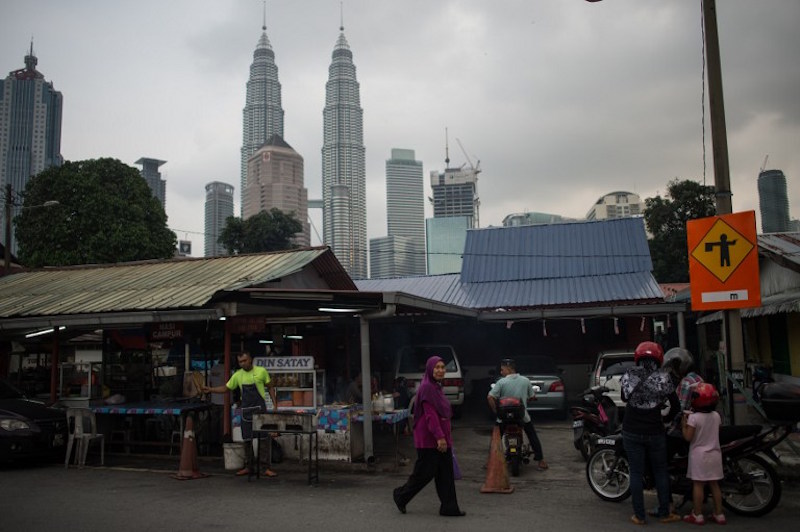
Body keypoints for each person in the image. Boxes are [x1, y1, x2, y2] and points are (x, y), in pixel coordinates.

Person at [393, 356, 465, 517]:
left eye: (442, 367)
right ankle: (401, 496)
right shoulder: (427, 388)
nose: (440, 370)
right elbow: (430, 416)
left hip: (441, 438)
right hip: (430, 440)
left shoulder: (436, 387)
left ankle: (449, 507)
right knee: (423, 474)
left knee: (445, 474)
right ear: (430, 370)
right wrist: (439, 437)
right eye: (437, 367)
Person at [620, 341, 680, 525]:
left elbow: (624, 398)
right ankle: (665, 513)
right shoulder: (664, 377)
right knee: (660, 471)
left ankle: (639, 516)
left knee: (636, 473)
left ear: (638, 356)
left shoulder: (630, 374)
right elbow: (675, 406)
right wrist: (666, 419)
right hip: (655, 432)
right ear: (659, 358)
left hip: (631, 430)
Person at [203, 351, 278, 477]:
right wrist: (211, 389)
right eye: (240, 362)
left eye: (245, 361)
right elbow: (226, 388)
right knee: (247, 439)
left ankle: (265, 468)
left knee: (264, 439)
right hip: (246, 411)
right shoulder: (238, 375)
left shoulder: (261, 371)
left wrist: (275, 405)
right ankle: (249, 467)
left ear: (251, 360)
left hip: (260, 410)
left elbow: (270, 387)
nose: (243, 364)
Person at [487, 358, 547, 470]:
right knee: (531, 434)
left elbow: (490, 397)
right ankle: (541, 460)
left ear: (509, 369)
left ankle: (490, 461)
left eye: (502, 369)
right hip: (521, 416)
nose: (501, 372)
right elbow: (532, 396)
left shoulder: (501, 382)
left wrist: (496, 411)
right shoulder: (525, 381)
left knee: (496, 437)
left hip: (504, 417)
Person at [682, 382, 725, 525]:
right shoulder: (716, 416)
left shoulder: (694, 418)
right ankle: (719, 514)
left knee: (698, 485)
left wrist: (684, 424)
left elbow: (688, 437)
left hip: (699, 456)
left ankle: (697, 514)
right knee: (714, 485)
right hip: (715, 454)